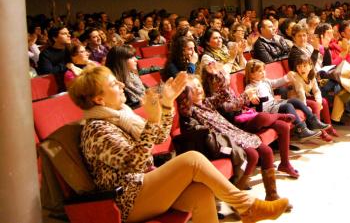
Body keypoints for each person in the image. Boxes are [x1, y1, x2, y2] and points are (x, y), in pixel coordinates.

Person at [68, 67, 288, 223]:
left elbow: (159, 137)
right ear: (98, 99)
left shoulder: (121, 117)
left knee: (201, 192)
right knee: (192, 159)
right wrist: (153, 120)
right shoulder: (97, 128)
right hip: (124, 200)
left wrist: (165, 105)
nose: (121, 84)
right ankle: (247, 206)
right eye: (113, 84)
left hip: (141, 187)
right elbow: (134, 162)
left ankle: (247, 209)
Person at [177, 77, 289, 203]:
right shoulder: (190, 110)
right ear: (186, 94)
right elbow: (184, 110)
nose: (198, 89)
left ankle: (272, 195)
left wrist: (217, 75)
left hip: (235, 132)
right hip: (225, 139)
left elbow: (223, 94)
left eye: (198, 85)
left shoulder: (207, 102)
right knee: (253, 155)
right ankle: (237, 198)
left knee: (267, 151)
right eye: (193, 88)